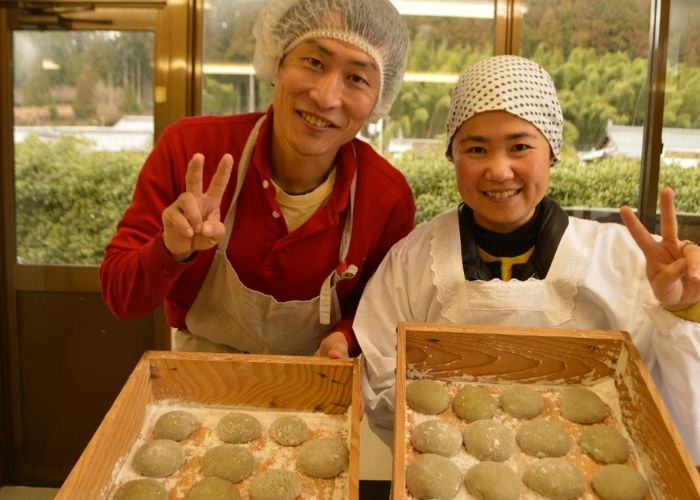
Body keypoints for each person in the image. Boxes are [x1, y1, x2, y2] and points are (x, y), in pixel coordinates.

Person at [354, 55, 700, 463]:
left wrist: (684, 310)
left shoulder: (630, 263)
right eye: (476, 148)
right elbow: (379, 387)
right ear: (452, 156)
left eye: (519, 146)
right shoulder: (411, 264)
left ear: (552, 150)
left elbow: (685, 422)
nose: (499, 171)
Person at [99, 0, 415, 358]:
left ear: (378, 100)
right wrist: (170, 250)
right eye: (313, 62)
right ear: (276, 60)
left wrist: (347, 338)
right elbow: (121, 298)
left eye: (356, 78)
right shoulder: (193, 150)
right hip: (197, 379)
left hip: (318, 384)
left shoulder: (386, 197)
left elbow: (381, 311)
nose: (325, 97)